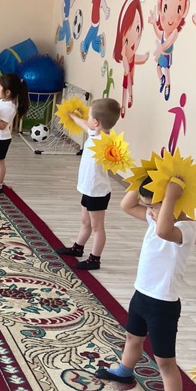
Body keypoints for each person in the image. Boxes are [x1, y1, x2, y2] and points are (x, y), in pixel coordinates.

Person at [95, 175, 196, 391]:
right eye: (148, 206)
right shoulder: (156, 218)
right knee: (133, 337)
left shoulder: (186, 228)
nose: (149, 212)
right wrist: (144, 179)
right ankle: (124, 370)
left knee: (165, 362)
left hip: (163, 305)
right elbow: (127, 205)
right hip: (141, 294)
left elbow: (164, 231)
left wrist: (170, 195)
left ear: (174, 202)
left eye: (153, 206)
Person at [55, 97, 122, 270]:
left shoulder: (106, 143)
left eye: (90, 116)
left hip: (97, 192)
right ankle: (78, 247)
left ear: (96, 122)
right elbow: (85, 124)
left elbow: (115, 156)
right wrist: (72, 116)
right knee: (85, 221)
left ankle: (95, 259)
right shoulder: (94, 133)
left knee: (97, 227)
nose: (88, 119)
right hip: (88, 188)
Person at [149, 0, 190, 102]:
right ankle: (162, 80)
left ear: (185, 10)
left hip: (166, 56)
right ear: (160, 6)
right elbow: (158, 34)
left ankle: (167, 85)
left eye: (178, 8)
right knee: (158, 68)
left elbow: (167, 44)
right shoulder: (164, 32)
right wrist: (153, 23)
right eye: (166, 7)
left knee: (166, 69)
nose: (171, 16)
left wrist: (160, 48)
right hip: (161, 54)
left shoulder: (174, 33)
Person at [0, 72, 29, 194]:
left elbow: (2, 125)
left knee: (0, 162)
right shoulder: (2, 101)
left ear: (7, 92)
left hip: (1, 139)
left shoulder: (10, 107)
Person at [114, 0, 149, 118]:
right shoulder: (126, 56)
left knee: (128, 84)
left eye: (138, 29)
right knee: (125, 86)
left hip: (129, 75)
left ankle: (130, 97)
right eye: (127, 39)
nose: (134, 40)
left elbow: (139, 59)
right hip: (127, 74)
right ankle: (124, 104)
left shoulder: (133, 57)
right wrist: (123, 55)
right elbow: (127, 67)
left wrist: (145, 56)